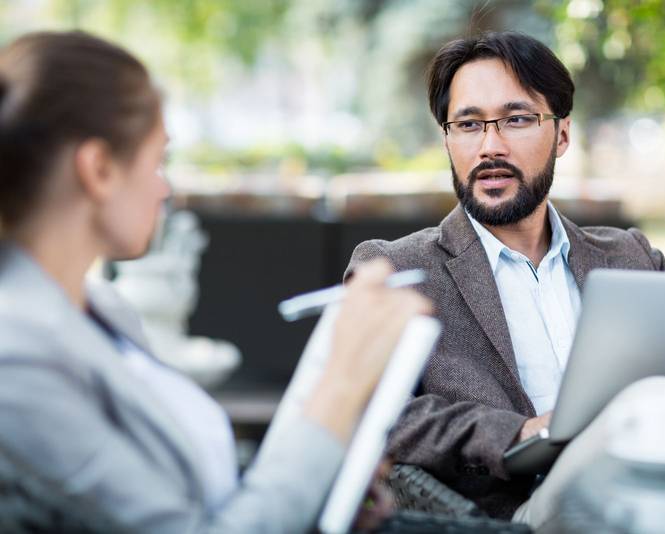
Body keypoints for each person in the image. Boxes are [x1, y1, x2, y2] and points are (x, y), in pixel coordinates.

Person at [0, 30, 430, 533]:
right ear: (99, 169)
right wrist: (342, 383)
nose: (164, 188)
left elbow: (181, 494)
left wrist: (318, 487)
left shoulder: (102, 311)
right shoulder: (17, 359)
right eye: (158, 160)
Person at [345, 31, 665, 521]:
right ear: (447, 139)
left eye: (517, 119)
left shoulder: (632, 257)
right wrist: (520, 434)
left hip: (656, 490)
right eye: (468, 124)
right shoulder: (396, 271)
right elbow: (367, 408)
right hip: (516, 514)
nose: (490, 146)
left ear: (562, 135)